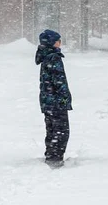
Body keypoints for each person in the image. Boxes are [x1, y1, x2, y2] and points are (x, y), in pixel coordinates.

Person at [35, 29, 72, 168]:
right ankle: (55, 158)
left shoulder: (45, 56)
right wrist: (64, 99)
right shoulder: (54, 58)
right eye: (58, 40)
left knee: (52, 129)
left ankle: (51, 154)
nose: (60, 43)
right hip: (56, 102)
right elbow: (59, 82)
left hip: (47, 101)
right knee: (61, 130)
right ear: (52, 43)